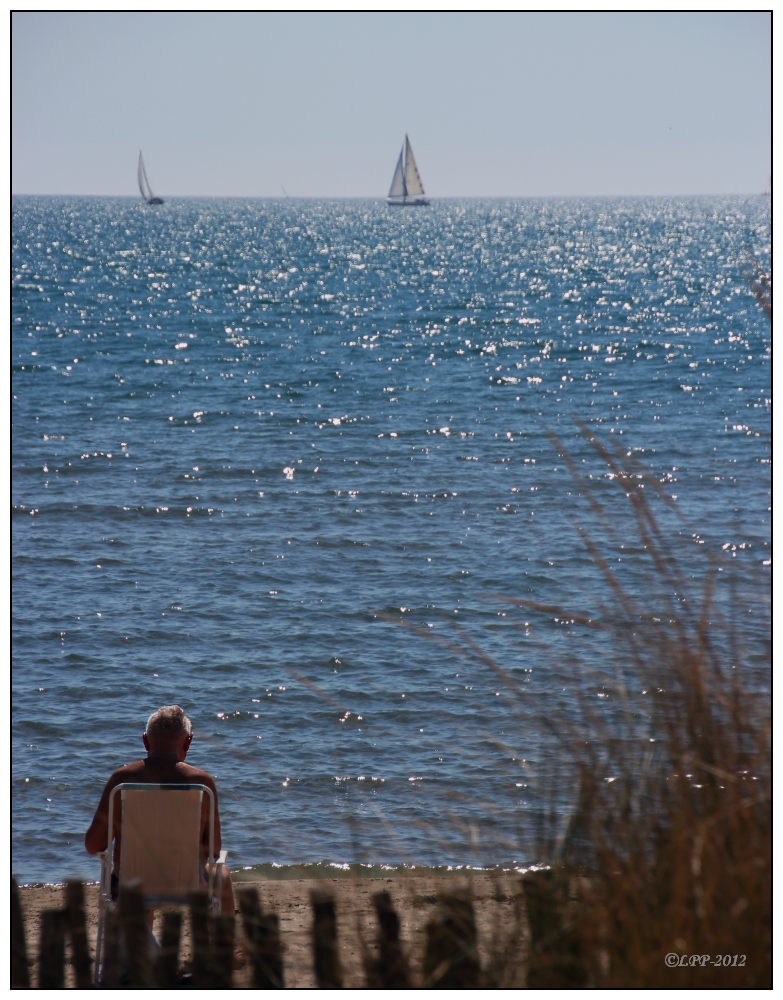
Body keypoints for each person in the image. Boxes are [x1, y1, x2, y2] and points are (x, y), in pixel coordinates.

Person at [85, 704, 234, 915]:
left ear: (145, 740)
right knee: (223, 875)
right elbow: (214, 850)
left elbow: (93, 846)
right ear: (188, 741)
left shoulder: (121, 780)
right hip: (187, 886)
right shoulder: (202, 783)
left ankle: (143, 946)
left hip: (130, 889)